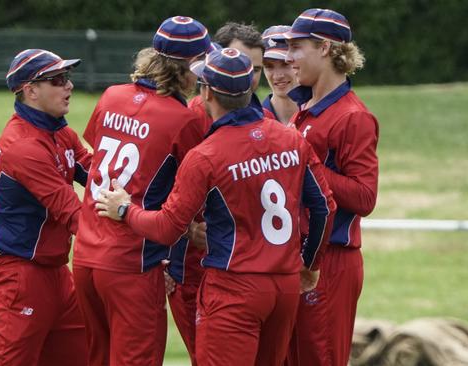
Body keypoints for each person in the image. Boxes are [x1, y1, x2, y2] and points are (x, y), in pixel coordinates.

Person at [95, 48, 337, 366]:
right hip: (284, 286)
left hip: (233, 288)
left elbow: (168, 227)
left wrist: (126, 210)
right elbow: (324, 207)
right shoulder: (292, 139)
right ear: (249, 88)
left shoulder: (206, 155)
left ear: (207, 91)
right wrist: (310, 262)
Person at [72, 16, 210, 366]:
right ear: (186, 69)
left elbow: (100, 156)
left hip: (86, 257)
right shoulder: (186, 119)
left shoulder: (112, 95)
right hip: (133, 263)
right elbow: (194, 191)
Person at [275, 8, 380, 366]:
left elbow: (365, 196)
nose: (288, 58)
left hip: (332, 261)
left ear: (325, 48)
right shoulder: (304, 107)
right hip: (296, 257)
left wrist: (305, 164)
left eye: (296, 46)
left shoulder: (354, 117)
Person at [168, 21, 275, 362]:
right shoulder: (193, 118)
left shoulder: (264, 119)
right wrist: (178, 240)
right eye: (237, 60)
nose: (246, 73)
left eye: (256, 68)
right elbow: (162, 187)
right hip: (197, 265)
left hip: (251, 270)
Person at [0, 49, 90, 366]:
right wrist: (143, 239)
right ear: (30, 90)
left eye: (67, 78)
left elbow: (99, 176)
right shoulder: (23, 146)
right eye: (57, 80)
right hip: (18, 276)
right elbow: (74, 215)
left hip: (55, 271)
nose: (68, 86)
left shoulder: (60, 132)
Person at [261, 25, 299, 123]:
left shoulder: (320, 116)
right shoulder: (255, 121)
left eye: (285, 64)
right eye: (269, 66)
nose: (278, 76)